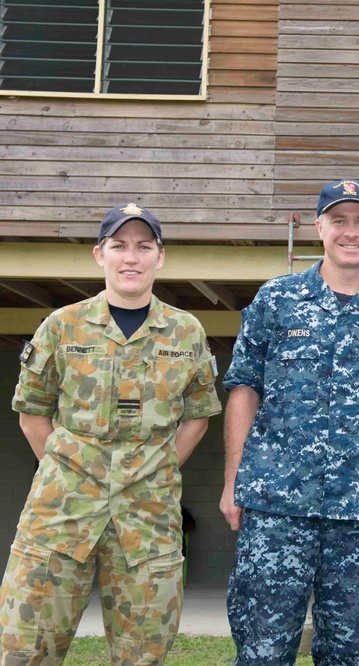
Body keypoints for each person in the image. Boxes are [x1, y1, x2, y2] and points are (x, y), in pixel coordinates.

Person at [1, 203, 222, 665]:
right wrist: (71, 474)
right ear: (99, 254)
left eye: (144, 246)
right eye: (119, 246)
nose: (131, 257)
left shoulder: (186, 332)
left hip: (148, 522)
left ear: (160, 257)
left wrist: (151, 471)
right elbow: (32, 414)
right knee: (26, 650)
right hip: (59, 519)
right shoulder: (61, 326)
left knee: (143, 656)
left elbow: (198, 415)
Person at [221, 180, 359, 665]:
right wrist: (234, 480)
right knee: (261, 654)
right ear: (319, 227)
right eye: (339, 220)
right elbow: (244, 388)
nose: (350, 232)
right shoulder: (276, 299)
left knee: (348, 656)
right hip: (275, 511)